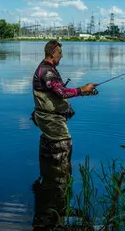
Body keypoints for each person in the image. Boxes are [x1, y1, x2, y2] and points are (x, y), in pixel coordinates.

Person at [30, 40, 98, 229]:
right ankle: (59, 185)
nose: (61, 56)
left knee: (48, 147)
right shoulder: (47, 71)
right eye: (59, 52)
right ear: (52, 52)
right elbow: (60, 91)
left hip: (46, 120)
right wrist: (81, 89)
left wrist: (83, 92)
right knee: (63, 146)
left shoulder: (46, 69)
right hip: (51, 120)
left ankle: (49, 182)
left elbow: (58, 92)